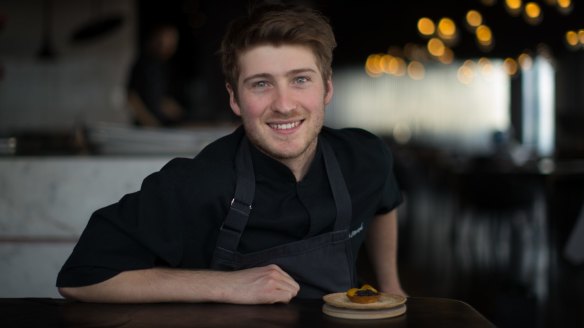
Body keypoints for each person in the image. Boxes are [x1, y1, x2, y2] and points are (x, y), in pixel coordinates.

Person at [57, 2, 405, 304]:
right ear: (235, 98)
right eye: (261, 84)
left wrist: (391, 286)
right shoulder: (197, 183)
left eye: (300, 79)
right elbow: (81, 277)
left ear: (327, 88)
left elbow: (384, 201)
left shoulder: (366, 156)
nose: (284, 105)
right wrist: (225, 284)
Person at [126, 24, 187, 127]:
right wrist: (149, 121)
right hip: (145, 127)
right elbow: (131, 96)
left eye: (174, 40)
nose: (172, 43)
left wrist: (171, 107)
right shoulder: (143, 63)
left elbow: (157, 97)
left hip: (160, 126)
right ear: (158, 39)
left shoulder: (163, 65)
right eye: (169, 38)